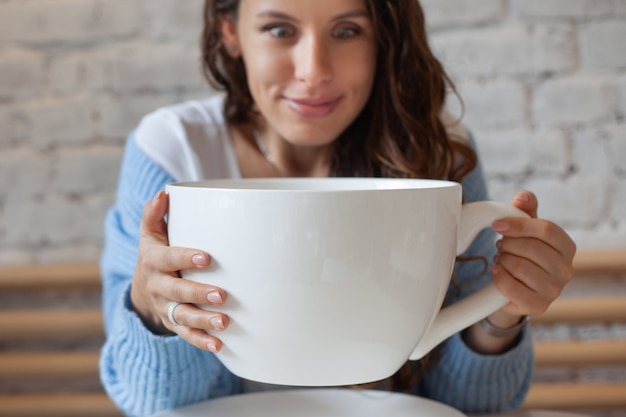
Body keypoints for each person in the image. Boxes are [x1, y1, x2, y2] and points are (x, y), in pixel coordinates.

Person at [99, 0, 577, 416]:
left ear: (381, 39)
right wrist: (150, 310)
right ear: (230, 31)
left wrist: (503, 311)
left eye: (346, 31)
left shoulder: (437, 152)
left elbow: (472, 407)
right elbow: (150, 406)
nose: (313, 70)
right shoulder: (173, 152)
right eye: (280, 30)